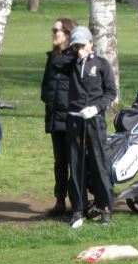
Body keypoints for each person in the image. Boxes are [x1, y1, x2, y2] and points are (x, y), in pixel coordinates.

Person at [52, 26, 117, 228]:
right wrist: (67, 49)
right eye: (76, 46)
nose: (80, 50)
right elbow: (56, 62)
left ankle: (105, 207)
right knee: (76, 164)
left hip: (94, 119)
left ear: (91, 44)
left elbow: (111, 92)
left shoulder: (101, 64)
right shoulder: (70, 63)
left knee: (99, 162)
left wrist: (96, 108)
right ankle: (78, 209)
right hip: (74, 119)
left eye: (82, 45)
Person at [41, 18, 77, 217]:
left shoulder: (74, 58)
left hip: (71, 118)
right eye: (52, 30)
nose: (53, 34)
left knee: (75, 161)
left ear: (67, 33)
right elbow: (45, 86)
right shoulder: (51, 58)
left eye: (57, 30)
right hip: (55, 118)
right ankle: (59, 201)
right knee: (60, 162)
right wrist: (48, 99)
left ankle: (76, 202)